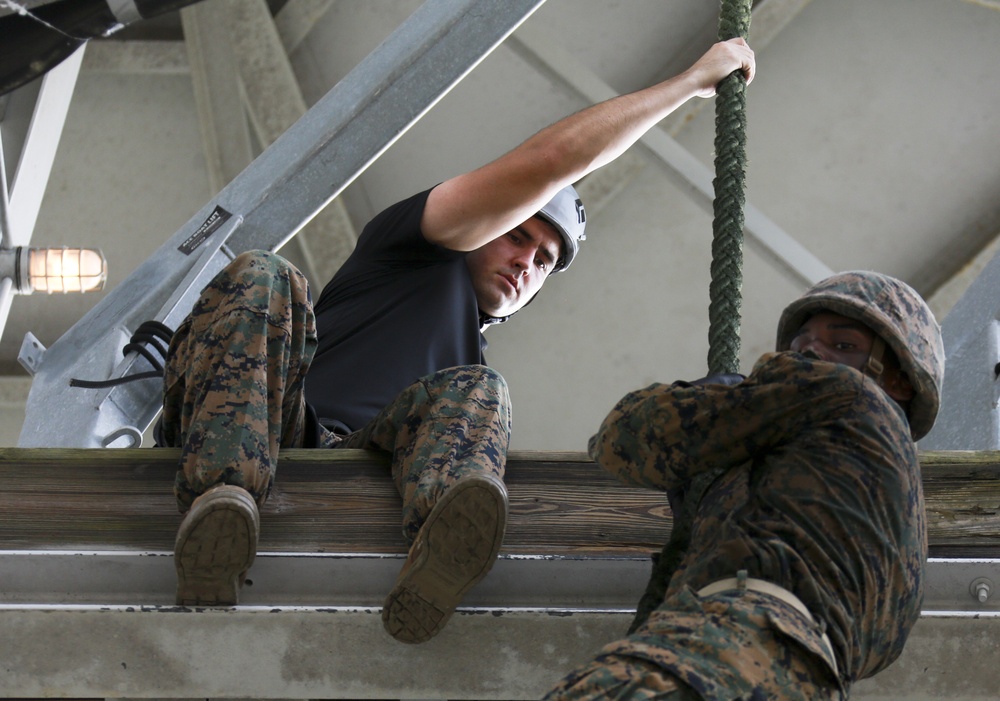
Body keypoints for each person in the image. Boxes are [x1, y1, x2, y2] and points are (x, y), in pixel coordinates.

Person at [157, 38, 757, 644]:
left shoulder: (462, 376)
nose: (526, 262)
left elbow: (460, 398)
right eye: (517, 236)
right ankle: (221, 505)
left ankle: (438, 559)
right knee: (266, 275)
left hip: (370, 457)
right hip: (267, 432)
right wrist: (691, 82)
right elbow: (550, 159)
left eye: (545, 260)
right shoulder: (415, 246)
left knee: (482, 391)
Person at [543, 271, 945, 699]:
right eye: (799, 343)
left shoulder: (844, 392)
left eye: (842, 345)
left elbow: (621, 441)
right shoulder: (900, 536)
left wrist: (716, 395)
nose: (809, 350)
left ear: (900, 379)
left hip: (728, 647)